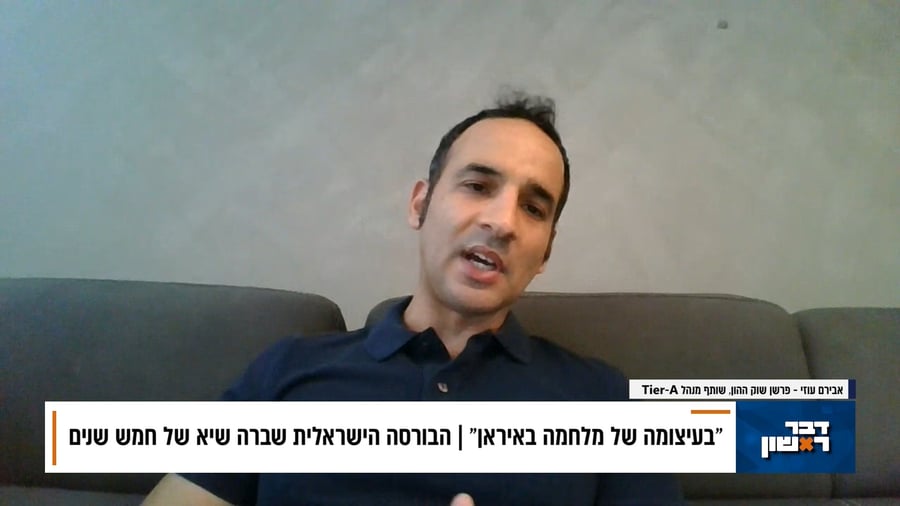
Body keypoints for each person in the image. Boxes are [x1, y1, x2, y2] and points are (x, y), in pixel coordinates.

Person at [143, 92, 684, 505]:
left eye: (533, 208)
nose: (502, 222)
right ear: (420, 205)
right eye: (478, 186)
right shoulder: (286, 371)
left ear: (545, 251)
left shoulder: (604, 401)